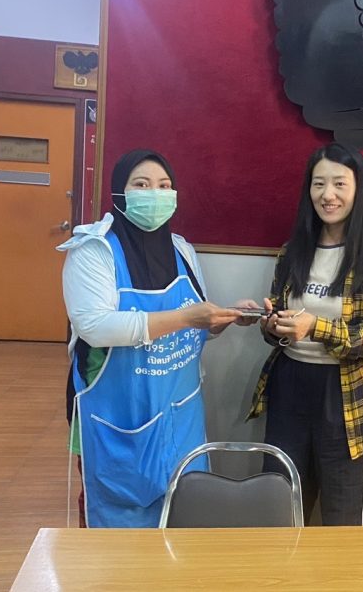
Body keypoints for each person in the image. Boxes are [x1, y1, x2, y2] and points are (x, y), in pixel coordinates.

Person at [60, 149, 256, 528]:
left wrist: (223, 318)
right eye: (142, 184)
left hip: (180, 420)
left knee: (183, 518)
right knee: (116, 533)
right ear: (119, 192)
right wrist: (187, 317)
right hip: (116, 422)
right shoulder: (93, 249)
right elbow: (95, 327)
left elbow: (191, 328)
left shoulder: (182, 250)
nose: (156, 194)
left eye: (165, 186)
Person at [248, 142, 363, 526]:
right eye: (318, 184)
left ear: (358, 190)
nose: (327, 194)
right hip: (290, 388)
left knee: (346, 521)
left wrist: (314, 327)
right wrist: (271, 324)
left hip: (350, 397)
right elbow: (280, 321)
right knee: (281, 512)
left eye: (339, 184)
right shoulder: (292, 253)